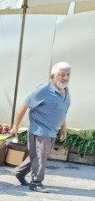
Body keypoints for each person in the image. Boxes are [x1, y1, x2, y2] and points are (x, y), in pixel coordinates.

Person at [11, 62, 71, 193]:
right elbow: (25, 105)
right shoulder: (43, 90)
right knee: (40, 157)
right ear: (53, 75)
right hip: (39, 130)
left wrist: (63, 128)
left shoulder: (65, 91)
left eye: (68, 74)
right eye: (62, 74)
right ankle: (36, 182)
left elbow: (63, 111)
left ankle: (20, 172)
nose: (65, 77)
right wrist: (15, 126)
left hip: (52, 131)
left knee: (37, 156)